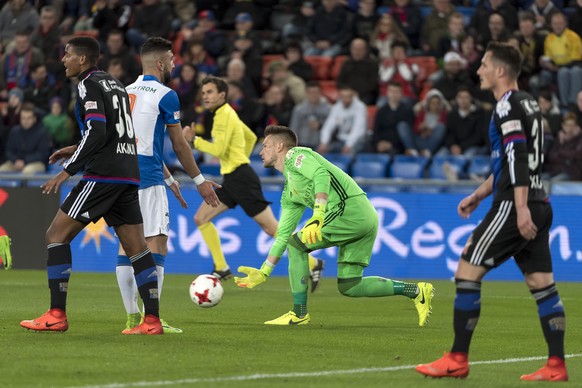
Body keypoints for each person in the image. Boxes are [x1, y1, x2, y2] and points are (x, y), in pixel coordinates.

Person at [416, 42, 568, 381]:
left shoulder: (506, 105)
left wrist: (519, 207)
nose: (479, 70)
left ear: (500, 70)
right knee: (542, 284)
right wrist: (477, 194)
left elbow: (516, 155)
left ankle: (457, 358)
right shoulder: (528, 102)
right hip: (540, 203)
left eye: (484, 64)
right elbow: (509, 160)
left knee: (467, 269)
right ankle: (556, 365)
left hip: (517, 206)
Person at [19, 36, 163, 335]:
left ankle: (56, 314)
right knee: (137, 248)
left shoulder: (87, 85)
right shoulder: (115, 84)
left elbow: (97, 131)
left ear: (82, 59)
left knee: (55, 235)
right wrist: (75, 147)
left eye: (68, 54)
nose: (64, 59)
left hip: (103, 175)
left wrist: (67, 171)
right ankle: (151, 321)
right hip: (128, 172)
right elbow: (114, 131)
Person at [233, 125, 435, 326]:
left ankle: (299, 313)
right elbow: (282, 235)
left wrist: (318, 213)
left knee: (297, 245)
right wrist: (264, 271)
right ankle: (416, 291)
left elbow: (321, 174)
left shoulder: (295, 155)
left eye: (265, 146)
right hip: (364, 217)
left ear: (279, 147)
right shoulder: (290, 192)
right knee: (350, 286)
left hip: (348, 210)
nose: (260, 152)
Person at [116, 37, 221, 334]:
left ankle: (130, 318)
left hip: (122, 179)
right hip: (147, 181)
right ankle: (152, 319)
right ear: (160, 64)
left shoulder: (124, 93)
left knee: (127, 247)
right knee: (156, 243)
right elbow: (178, 144)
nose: (175, 64)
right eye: (173, 60)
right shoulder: (166, 95)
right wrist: (199, 181)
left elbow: (135, 142)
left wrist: (171, 178)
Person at [183, 76, 324, 290]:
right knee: (201, 218)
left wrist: (194, 141)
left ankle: (313, 263)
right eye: (203, 93)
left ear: (222, 94)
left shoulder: (222, 116)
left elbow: (219, 150)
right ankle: (221, 267)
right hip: (232, 177)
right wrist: (239, 155)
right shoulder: (229, 113)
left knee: (273, 229)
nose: (205, 96)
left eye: (210, 92)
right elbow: (249, 136)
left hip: (241, 178)